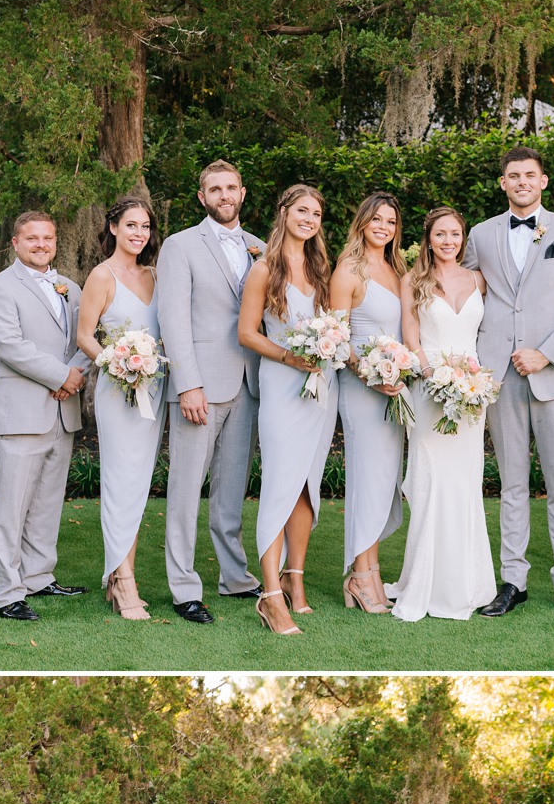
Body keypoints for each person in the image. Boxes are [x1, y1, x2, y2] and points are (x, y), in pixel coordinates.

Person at [464, 147, 554, 621]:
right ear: (502, 183)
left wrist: (547, 352)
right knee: (511, 485)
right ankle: (513, 581)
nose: (521, 181)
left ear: (543, 181)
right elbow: (463, 295)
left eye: (530, 175)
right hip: (499, 376)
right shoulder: (480, 235)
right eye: (512, 176)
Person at [158, 160, 265, 623]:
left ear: (242, 193)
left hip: (250, 381)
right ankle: (183, 588)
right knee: (185, 487)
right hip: (200, 384)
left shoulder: (262, 247)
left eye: (231, 188)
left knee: (232, 486)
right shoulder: (179, 245)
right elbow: (173, 318)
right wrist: (188, 385)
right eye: (214, 189)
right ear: (202, 197)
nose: (224, 196)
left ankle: (234, 575)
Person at [0, 209, 86, 621]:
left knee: (46, 502)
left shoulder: (71, 288)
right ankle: (6, 592)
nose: (42, 245)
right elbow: (9, 346)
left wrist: (74, 376)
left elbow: (87, 338)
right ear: (15, 243)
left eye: (48, 238)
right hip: (18, 414)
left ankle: (39, 575)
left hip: (62, 412)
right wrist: (62, 376)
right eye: (32, 238)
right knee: (11, 507)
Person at [237, 184, 335, 635]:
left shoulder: (321, 270)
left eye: (316, 213)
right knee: (280, 484)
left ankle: (297, 581)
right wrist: (288, 356)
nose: (309, 219)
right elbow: (247, 334)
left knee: (305, 485)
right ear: (283, 213)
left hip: (320, 385)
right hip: (282, 383)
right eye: (301, 210)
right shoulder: (263, 269)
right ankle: (271, 595)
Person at [391, 207, 497, 621]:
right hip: (430, 386)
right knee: (430, 482)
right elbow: (410, 334)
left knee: (465, 483)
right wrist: (432, 373)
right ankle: (424, 582)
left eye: (454, 234)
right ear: (428, 239)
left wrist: (470, 378)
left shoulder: (477, 280)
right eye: (440, 234)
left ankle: (467, 583)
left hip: (472, 390)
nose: (448, 241)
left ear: (463, 239)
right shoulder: (413, 281)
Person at [74, 195, 164, 620]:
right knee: (118, 479)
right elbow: (85, 336)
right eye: (131, 225)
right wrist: (115, 363)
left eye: (145, 226)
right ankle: (122, 579)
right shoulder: (101, 275)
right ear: (113, 228)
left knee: (139, 482)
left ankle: (123, 574)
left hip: (154, 389)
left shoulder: (155, 274)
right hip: (118, 389)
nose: (138, 233)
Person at [331, 193, 409, 614]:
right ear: (362, 223)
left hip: (393, 391)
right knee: (368, 479)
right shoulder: (348, 271)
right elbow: (338, 340)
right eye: (376, 219)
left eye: (391, 222)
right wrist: (372, 375)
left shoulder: (397, 269)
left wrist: (398, 374)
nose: (383, 226)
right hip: (363, 391)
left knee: (385, 481)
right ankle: (361, 577)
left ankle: (372, 571)